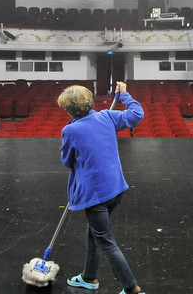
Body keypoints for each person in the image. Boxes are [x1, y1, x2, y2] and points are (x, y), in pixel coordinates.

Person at [57, 82, 145, 294]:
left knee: (106, 240)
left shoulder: (70, 130)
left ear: (69, 109)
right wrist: (124, 95)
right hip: (115, 188)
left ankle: (131, 288)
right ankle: (89, 277)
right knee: (94, 233)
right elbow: (136, 114)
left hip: (96, 195)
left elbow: (67, 161)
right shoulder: (107, 116)